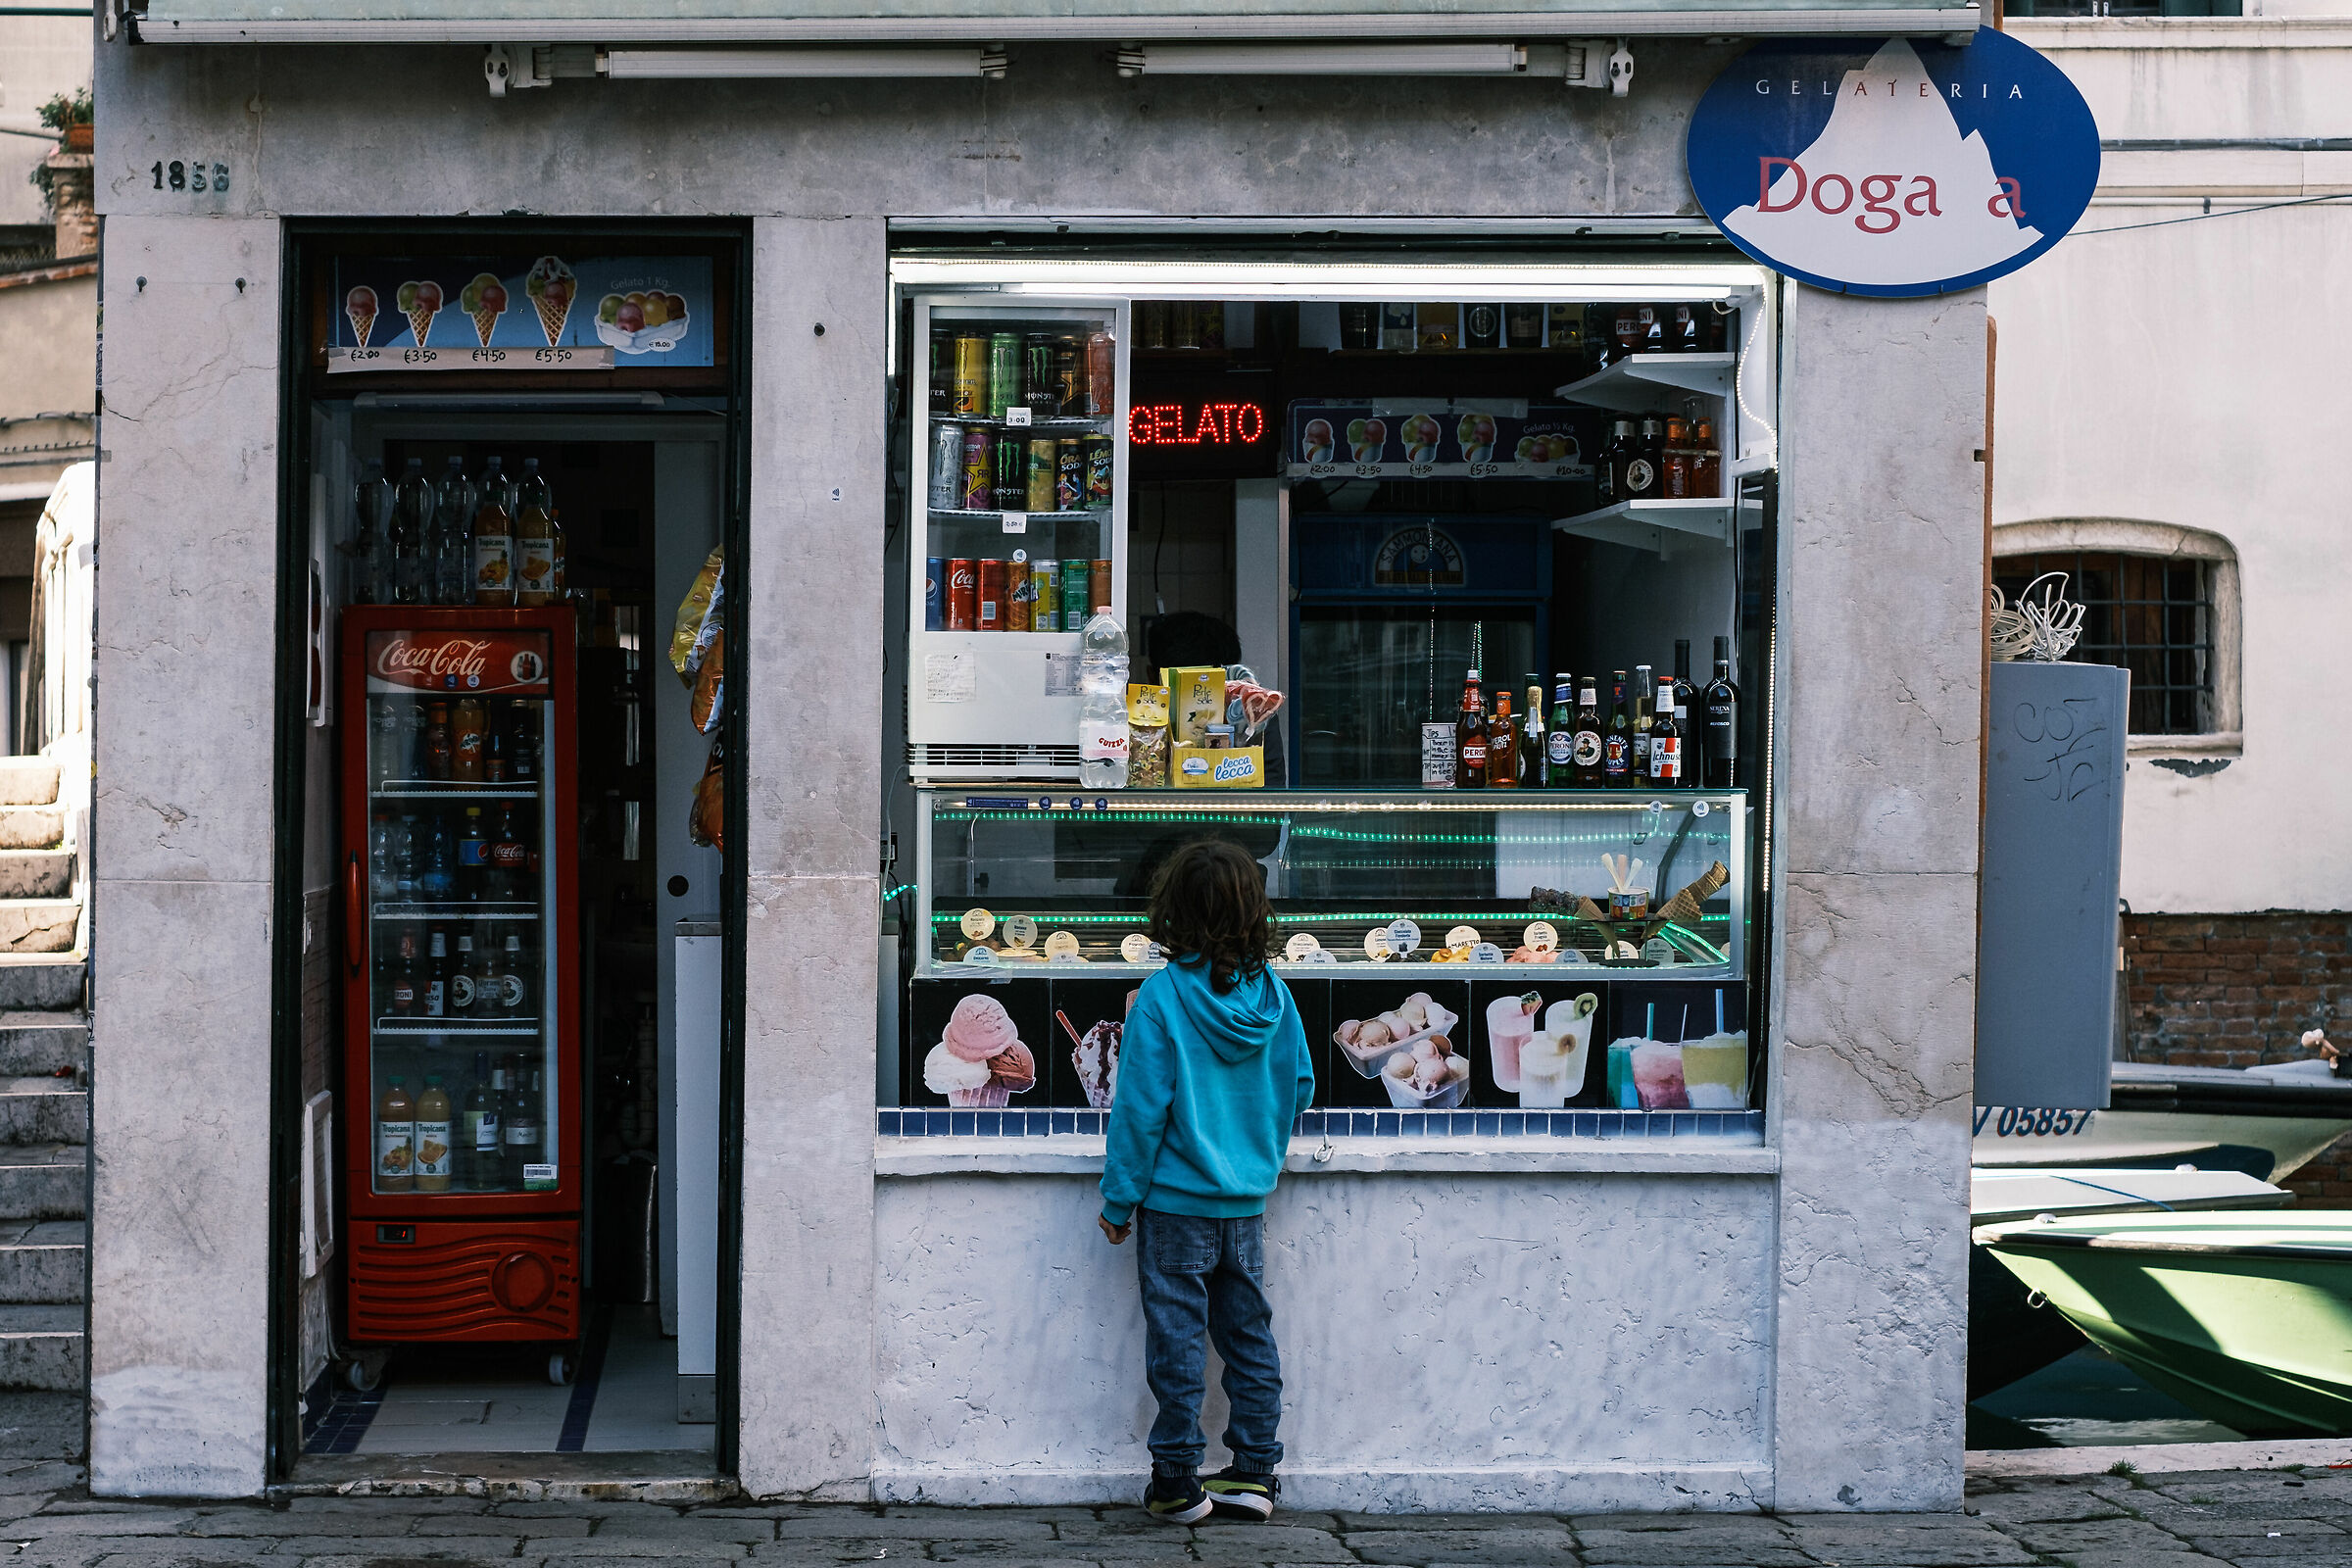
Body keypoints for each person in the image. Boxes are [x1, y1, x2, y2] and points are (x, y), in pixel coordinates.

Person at [1098, 839, 1317, 1525]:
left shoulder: (1161, 997)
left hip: (1174, 1207)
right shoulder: (1275, 996)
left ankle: (1176, 1481)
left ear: (1172, 913)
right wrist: (1252, 1141)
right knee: (1249, 1337)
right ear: (1256, 912)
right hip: (1245, 1204)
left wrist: (1118, 1200)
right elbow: (1301, 1085)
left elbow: (1139, 1112)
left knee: (1178, 1340)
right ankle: (1254, 1474)